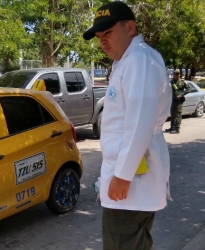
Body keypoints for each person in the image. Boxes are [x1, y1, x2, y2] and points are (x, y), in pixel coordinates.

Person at [83, 2, 172, 250]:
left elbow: (139, 123)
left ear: (130, 27)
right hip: (131, 178)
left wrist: (122, 175)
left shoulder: (139, 60)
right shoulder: (127, 60)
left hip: (131, 183)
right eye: (99, 37)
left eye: (108, 33)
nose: (103, 42)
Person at [165, 69, 191, 134]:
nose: (177, 75)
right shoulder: (171, 82)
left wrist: (181, 94)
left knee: (178, 114)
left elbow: (189, 89)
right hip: (172, 101)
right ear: (173, 74)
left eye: (178, 74)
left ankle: (177, 129)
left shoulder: (182, 82)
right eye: (175, 74)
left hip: (179, 101)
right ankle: (172, 127)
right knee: (172, 114)